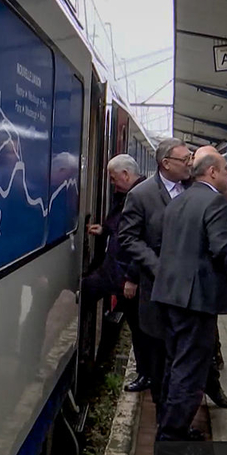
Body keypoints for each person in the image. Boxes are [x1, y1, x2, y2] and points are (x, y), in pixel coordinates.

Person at [120, 139, 227, 424]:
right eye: (184, 159)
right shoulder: (141, 195)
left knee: (194, 356)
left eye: (191, 159)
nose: (189, 163)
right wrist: (158, 266)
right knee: (164, 359)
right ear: (165, 163)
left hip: (195, 295)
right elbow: (128, 238)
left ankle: (186, 413)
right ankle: (166, 421)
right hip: (160, 289)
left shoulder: (196, 191)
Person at [151, 146, 227, 442]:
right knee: (190, 369)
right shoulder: (214, 202)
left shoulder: (178, 200)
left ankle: (167, 421)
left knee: (173, 363)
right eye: (226, 170)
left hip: (169, 293)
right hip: (196, 298)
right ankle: (173, 432)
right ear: (212, 172)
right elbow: (221, 250)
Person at [87, 155, 149, 392]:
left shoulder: (138, 196)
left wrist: (132, 278)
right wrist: (104, 229)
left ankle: (145, 375)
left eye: (114, 179)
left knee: (138, 327)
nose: (113, 185)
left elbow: (139, 240)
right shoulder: (133, 194)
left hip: (126, 274)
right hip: (117, 270)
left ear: (125, 174)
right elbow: (122, 227)